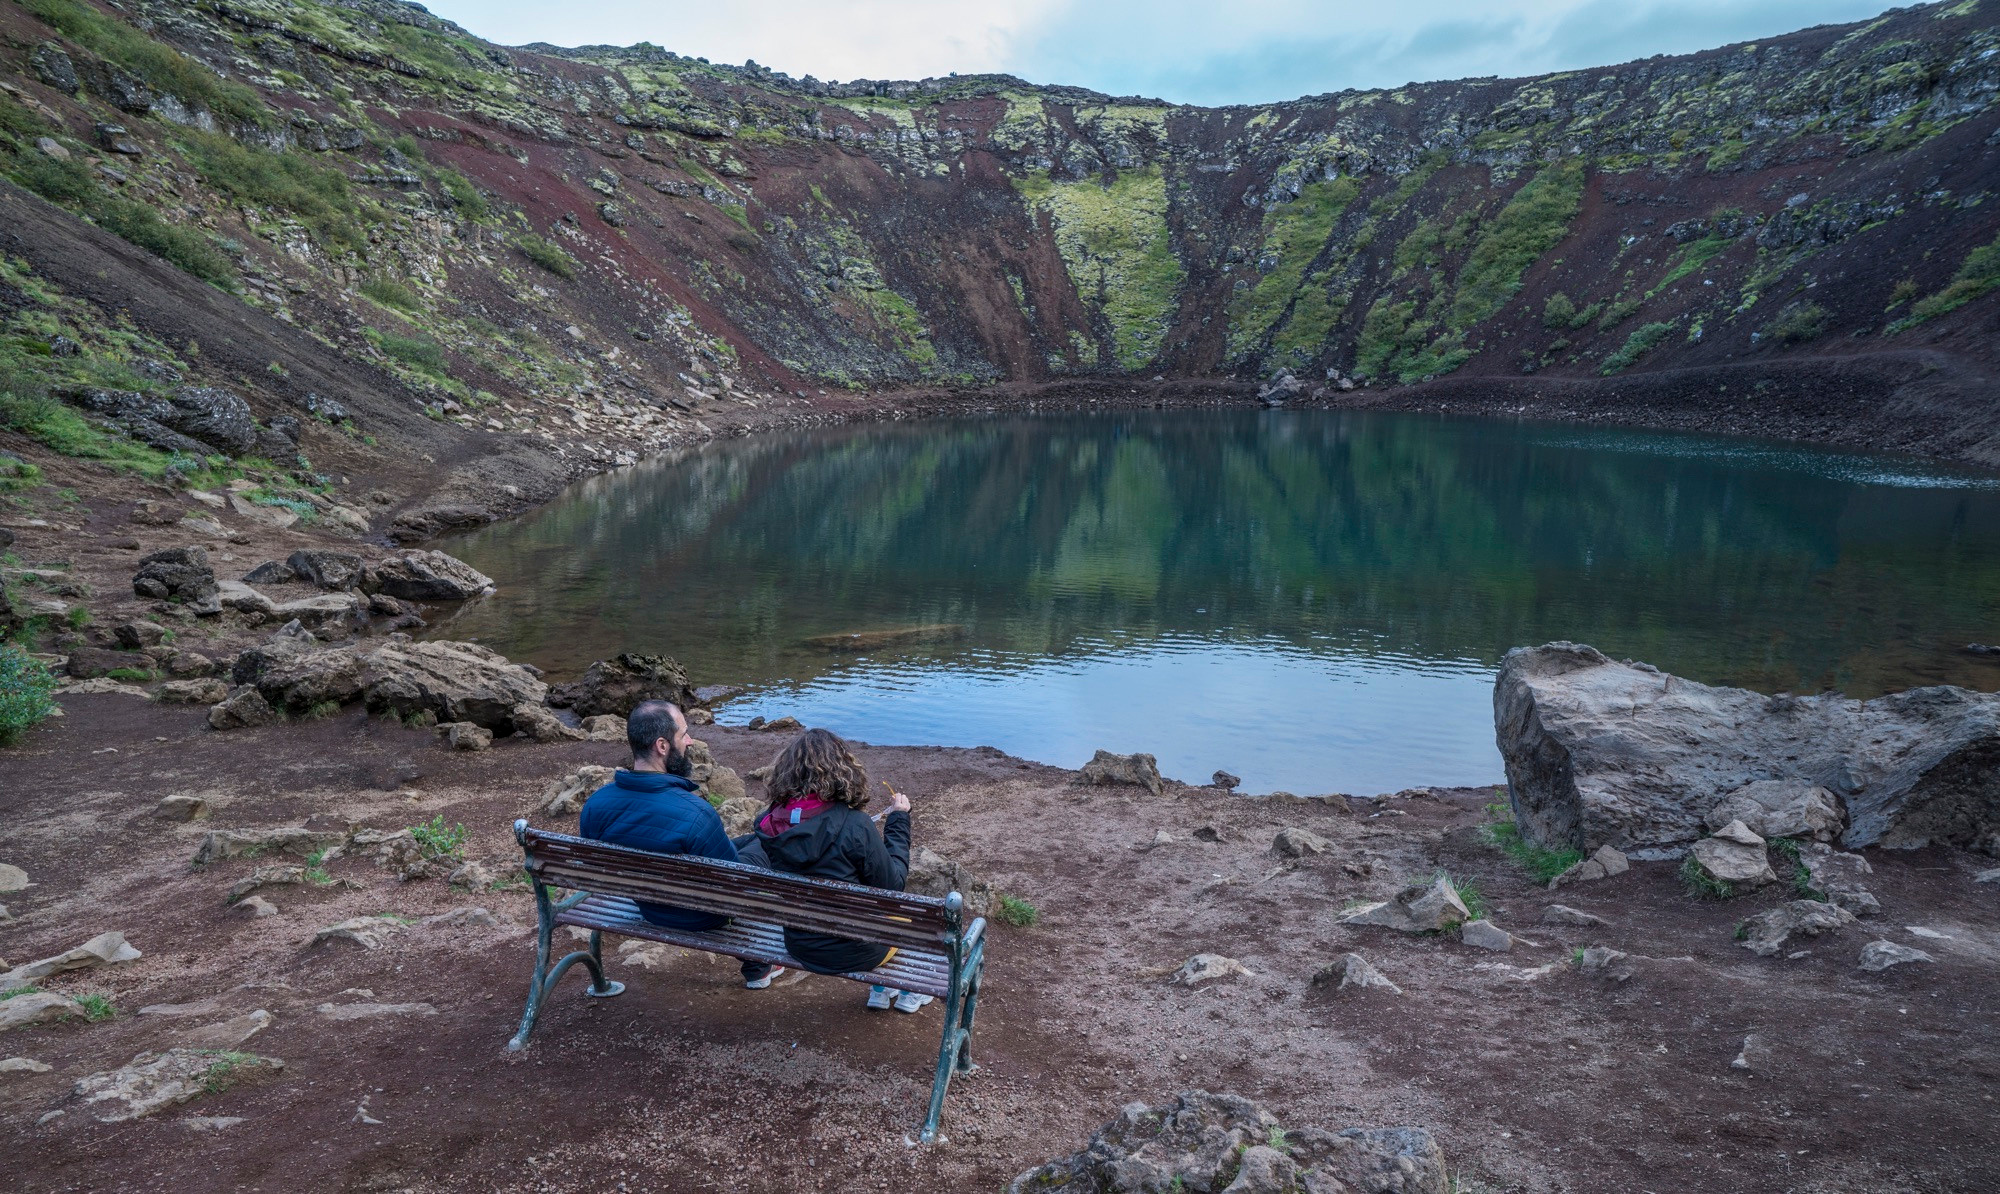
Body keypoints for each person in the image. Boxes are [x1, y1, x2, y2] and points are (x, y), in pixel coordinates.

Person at [578, 699, 783, 989]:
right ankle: (758, 963)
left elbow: (597, 867)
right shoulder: (694, 812)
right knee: (767, 844)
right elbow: (734, 888)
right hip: (698, 915)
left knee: (749, 841)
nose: (689, 741)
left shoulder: (596, 805)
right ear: (662, 746)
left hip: (647, 905)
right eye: (683, 734)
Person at [753, 727, 930, 1012]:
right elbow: (893, 886)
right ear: (842, 770)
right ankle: (907, 989)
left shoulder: (769, 824)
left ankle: (881, 988)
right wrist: (898, 821)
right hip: (858, 951)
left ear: (786, 772)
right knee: (911, 919)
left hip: (799, 944)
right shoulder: (854, 825)